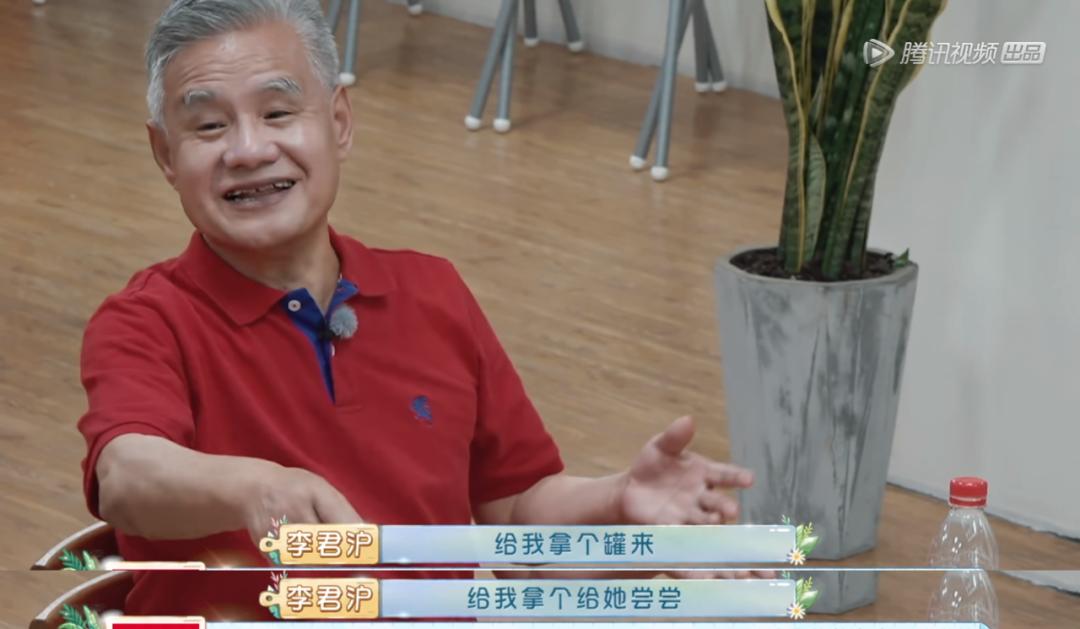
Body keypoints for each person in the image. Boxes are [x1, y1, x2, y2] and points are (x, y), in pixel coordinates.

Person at [77, 0, 756, 619]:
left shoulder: (433, 292)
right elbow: (127, 476)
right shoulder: (145, 321)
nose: (250, 150)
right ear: (165, 154)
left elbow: (518, 518)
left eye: (278, 113)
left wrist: (620, 506)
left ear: (339, 124)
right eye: (209, 125)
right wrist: (253, 487)